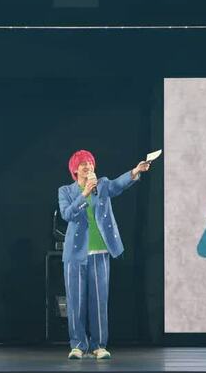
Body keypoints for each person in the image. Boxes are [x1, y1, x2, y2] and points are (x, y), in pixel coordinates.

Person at [58, 149, 150, 360]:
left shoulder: (103, 185)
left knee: (99, 301)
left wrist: (135, 171)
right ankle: (78, 345)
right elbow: (67, 214)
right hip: (75, 254)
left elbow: (119, 184)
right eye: (83, 164)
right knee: (75, 301)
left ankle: (99, 345)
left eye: (90, 163)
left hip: (100, 251)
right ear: (75, 169)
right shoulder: (66, 191)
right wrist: (84, 193)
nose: (88, 167)